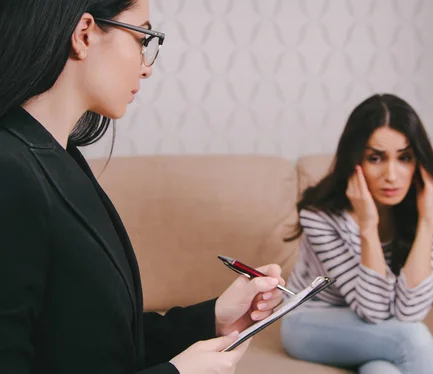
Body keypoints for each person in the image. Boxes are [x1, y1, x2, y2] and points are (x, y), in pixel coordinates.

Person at [0, 1, 286, 373]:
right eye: (143, 38)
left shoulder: (60, 156)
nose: (147, 67)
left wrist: (213, 317)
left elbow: (97, 342)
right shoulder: (10, 170)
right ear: (84, 34)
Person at [280, 93, 433, 373]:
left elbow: (410, 312)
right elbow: (375, 311)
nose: (391, 174)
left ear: (419, 164)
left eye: (405, 158)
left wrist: (427, 223)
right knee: (413, 339)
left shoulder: (431, 216)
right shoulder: (320, 216)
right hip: (309, 323)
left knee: (381, 370)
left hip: (378, 332)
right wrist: (368, 227)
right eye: (376, 158)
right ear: (355, 161)